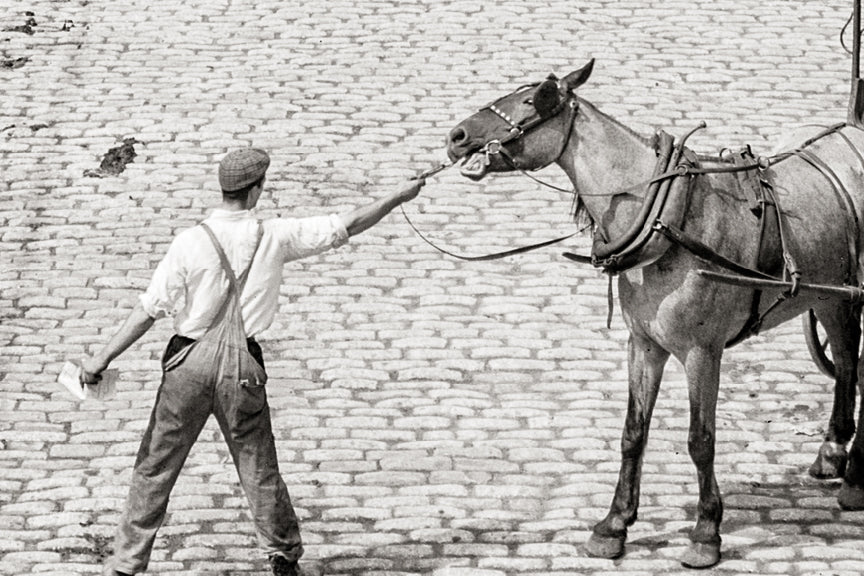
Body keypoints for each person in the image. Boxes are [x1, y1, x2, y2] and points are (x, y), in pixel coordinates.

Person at [82, 148, 425, 576]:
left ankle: (126, 563)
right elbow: (348, 223)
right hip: (243, 366)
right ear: (256, 189)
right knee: (258, 466)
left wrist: (100, 358)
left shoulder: (189, 241)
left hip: (186, 363)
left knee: (155, 465)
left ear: (224, 189)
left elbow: (147, 311)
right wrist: (399, 196)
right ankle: (282, 555)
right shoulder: (274, 235)